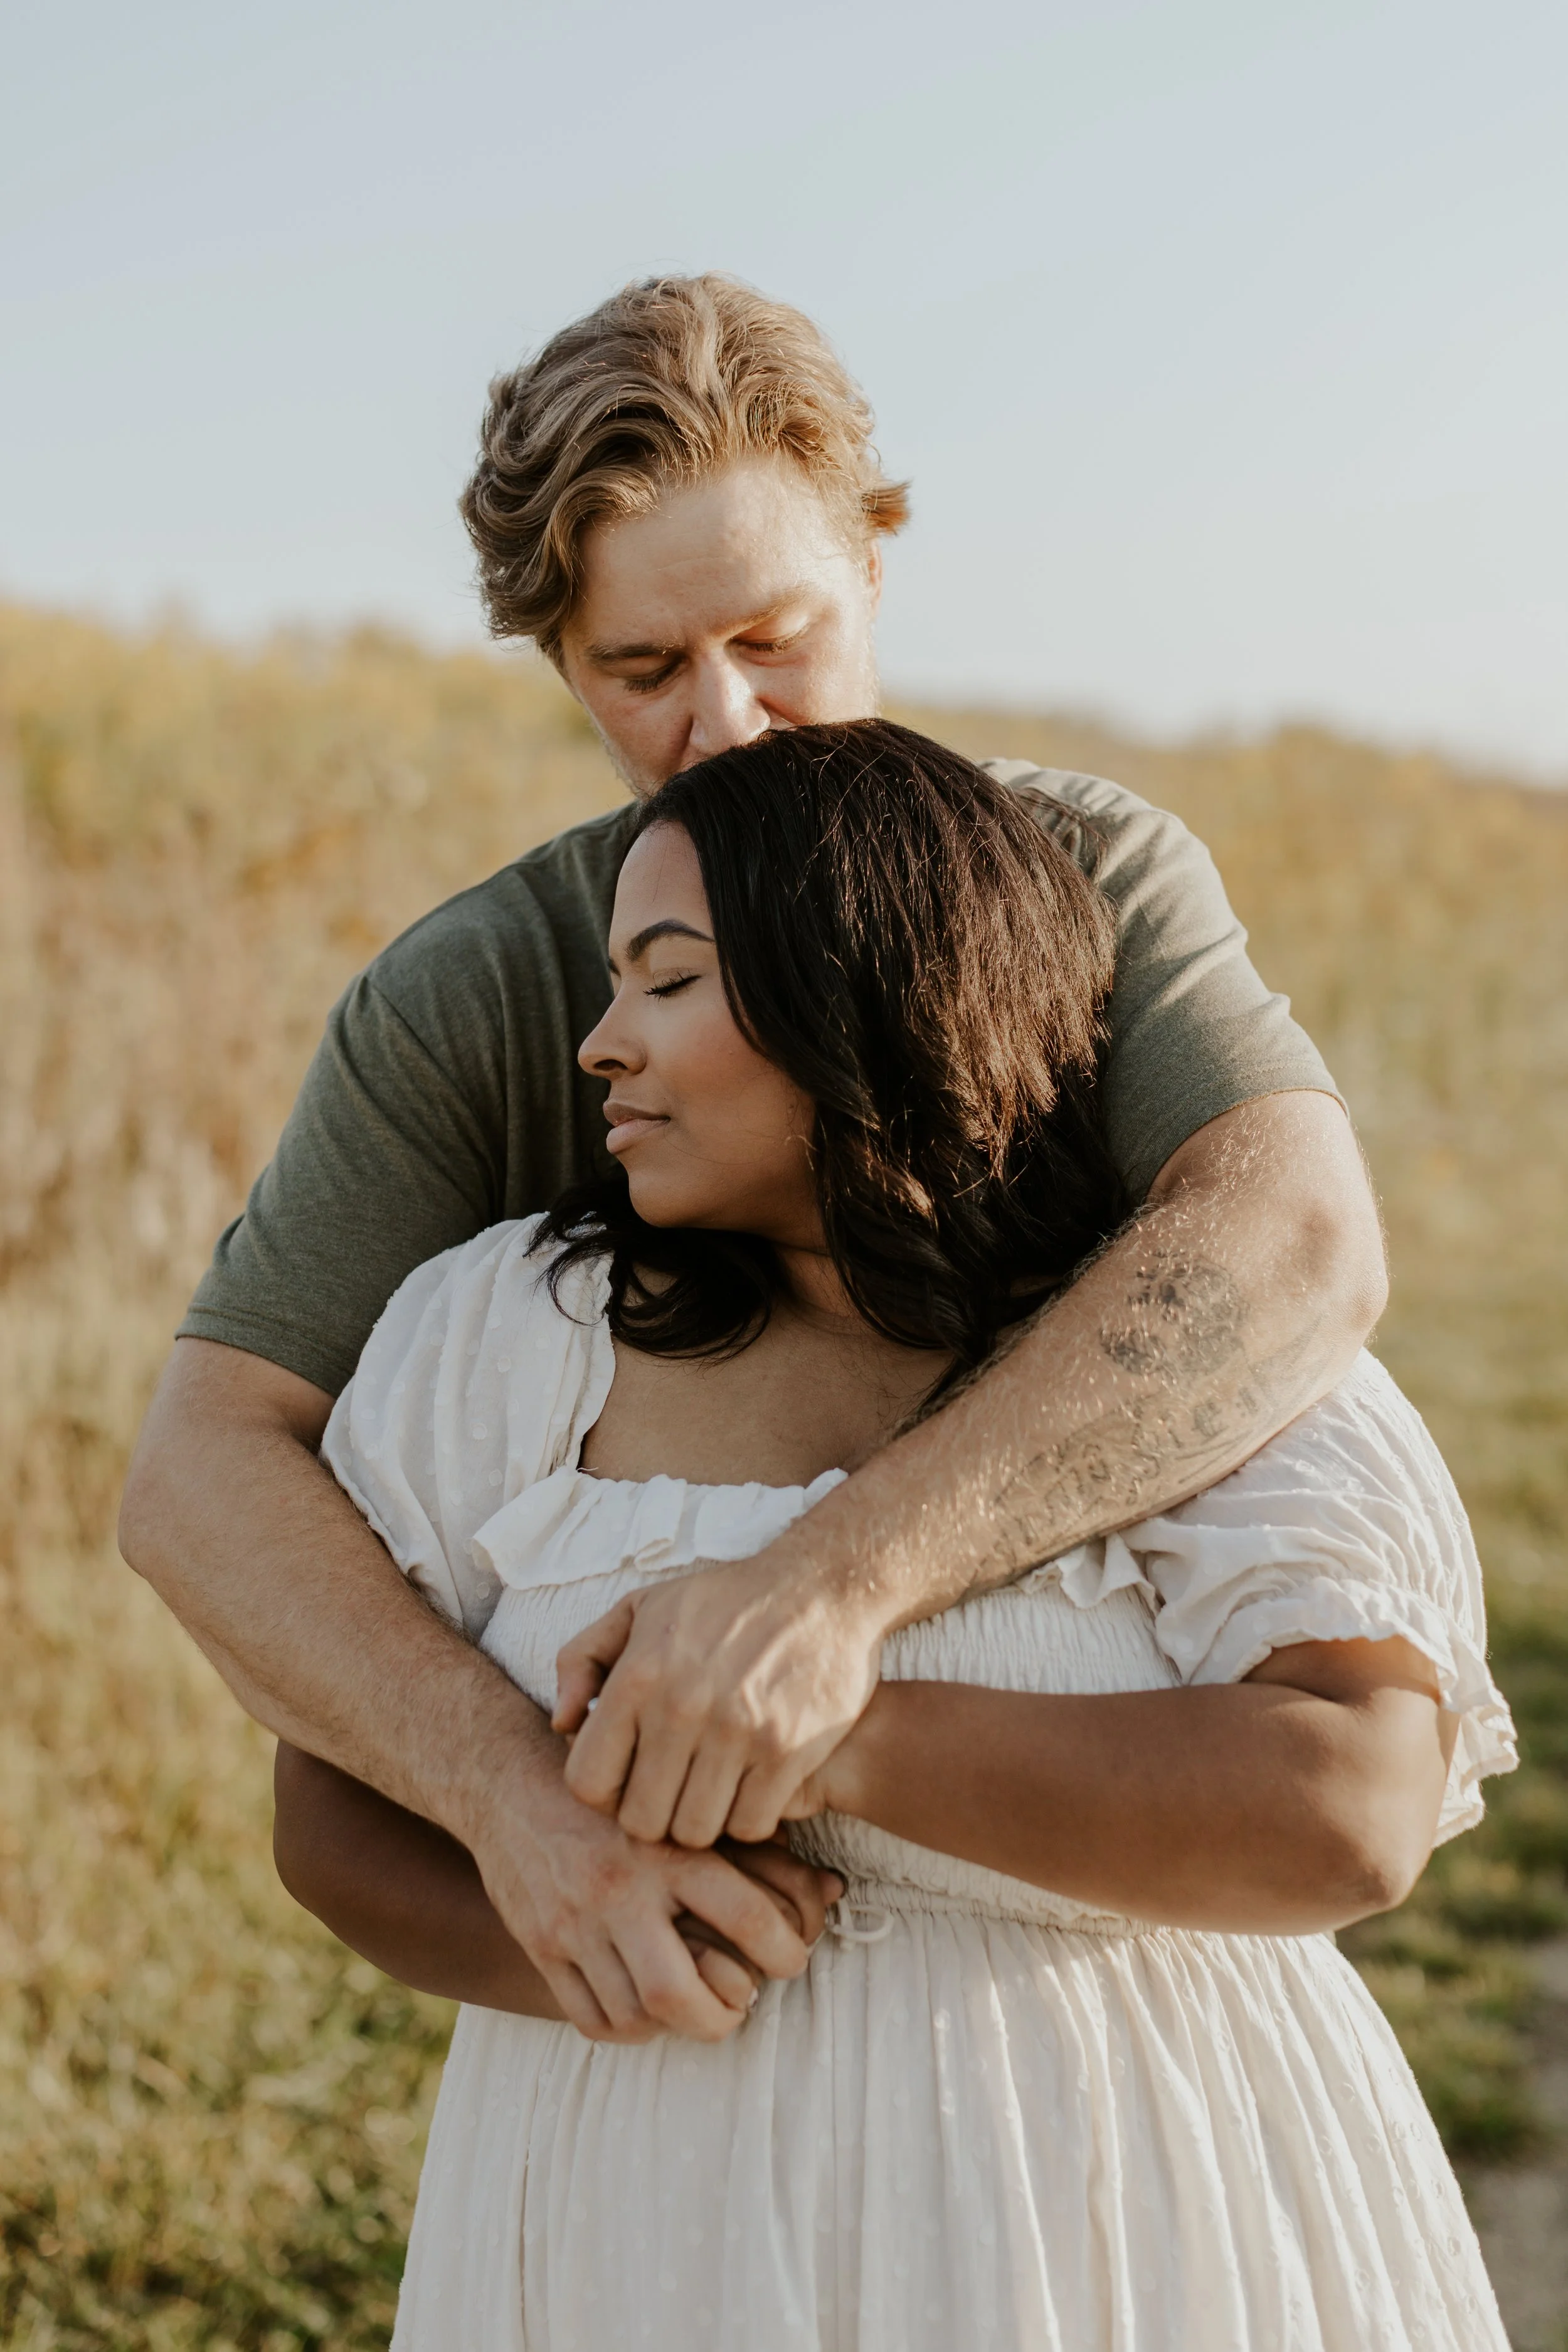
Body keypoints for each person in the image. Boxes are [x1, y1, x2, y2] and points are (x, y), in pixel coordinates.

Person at [120, 272, 1391, 2039]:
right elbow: (201, 1465)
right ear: (560, 661)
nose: (725, 721)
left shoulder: (1092, 874)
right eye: (642, 667)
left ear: (873, 563)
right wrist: (514, 1804)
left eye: (775, 636)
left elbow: (1295, 1240)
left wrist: (825, 1590)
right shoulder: (472, 991)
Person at [310, 722, 1511, 2348]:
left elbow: (1352, 1804)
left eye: (665, 981)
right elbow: (327, 1800)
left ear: (857, 984)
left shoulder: (1176, 1340)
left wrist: (827, 1734)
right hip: (633, 2233)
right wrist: (570, 1918)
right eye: (610, 982)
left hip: (1123, 2223)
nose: (599, 1044)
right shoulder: (500, 1330)